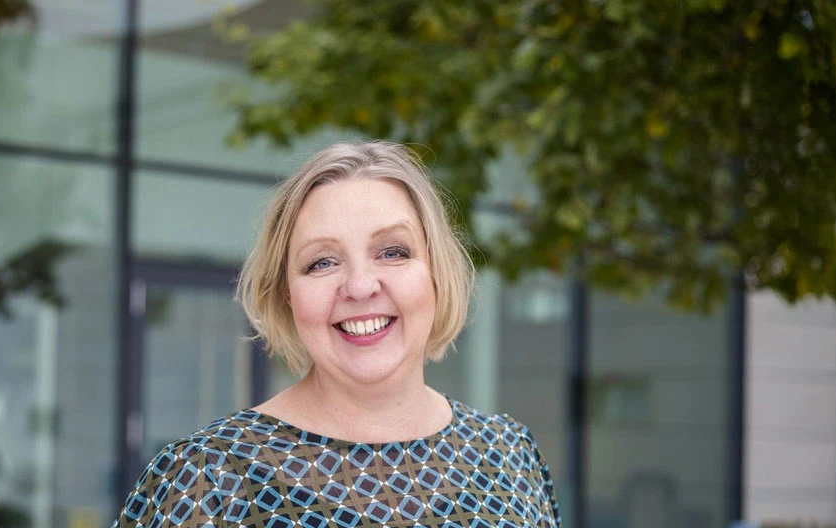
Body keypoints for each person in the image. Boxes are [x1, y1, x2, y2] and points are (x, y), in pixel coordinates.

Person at [112, 141, 561, 527]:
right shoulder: (208, 478)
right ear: (287, 293)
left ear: (436, 275)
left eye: (392, 252)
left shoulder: (509, 455)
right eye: (322, 262)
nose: (361, 286)